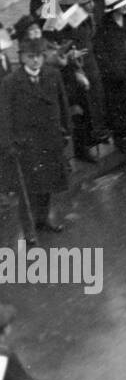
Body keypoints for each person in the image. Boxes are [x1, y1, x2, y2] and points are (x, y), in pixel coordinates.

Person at [0, 40, 71, 244]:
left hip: (49, 137)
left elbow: (62, 102)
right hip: (26, 143)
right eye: (30, 56)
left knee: (48, 182)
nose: (35, 60)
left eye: (39, 55)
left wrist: (66, 129)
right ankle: (29, 229)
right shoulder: (11, 82)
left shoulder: (52, 75)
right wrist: (8, 143)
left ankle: (42, 220)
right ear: (22, 57)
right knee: (28, 189)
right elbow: (5, 115)